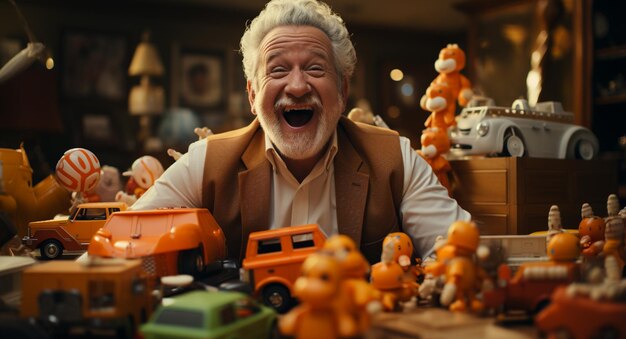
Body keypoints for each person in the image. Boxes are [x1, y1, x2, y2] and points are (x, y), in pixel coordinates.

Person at [131, 0, 470, 263]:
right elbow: (126, 242)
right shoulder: (208, 162)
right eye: (277, 69)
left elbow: (459, 249)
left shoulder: (394, 158)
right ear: (252, 95)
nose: (296, 86)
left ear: (342, 91)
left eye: (315, 68)